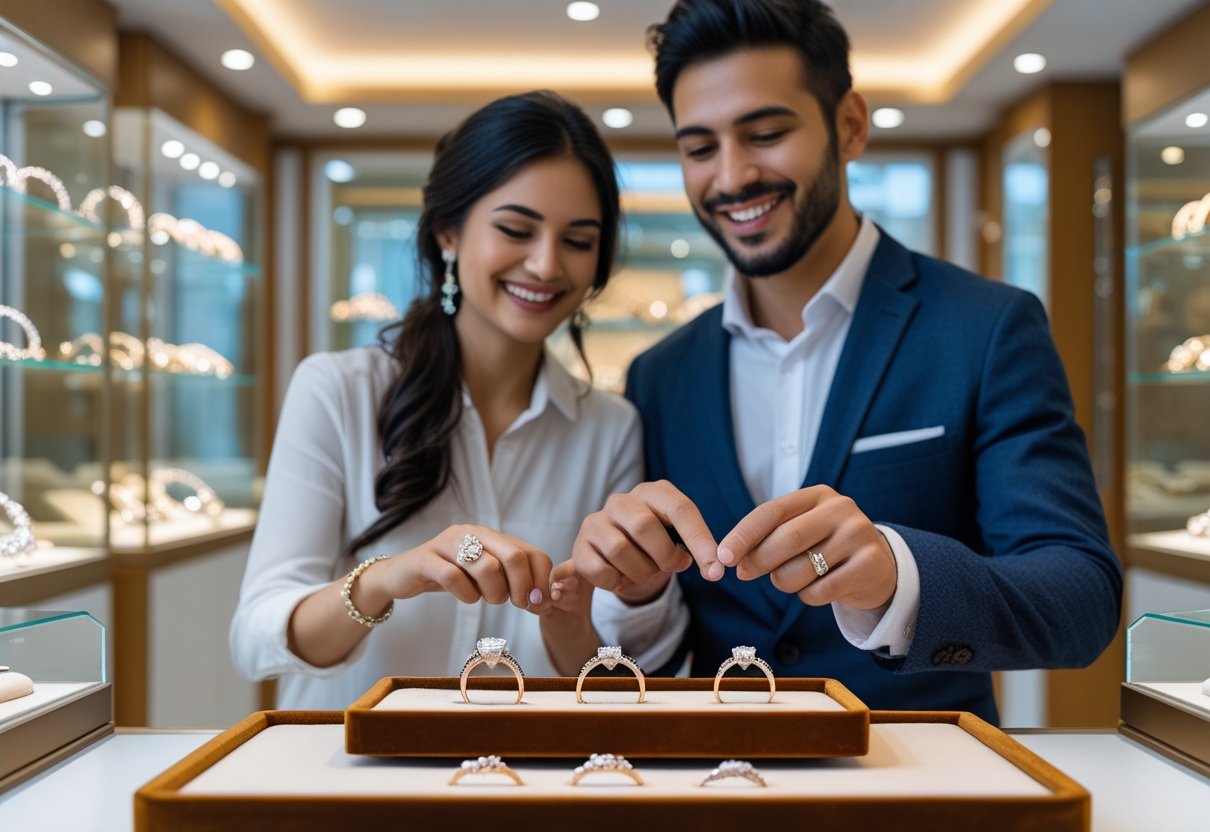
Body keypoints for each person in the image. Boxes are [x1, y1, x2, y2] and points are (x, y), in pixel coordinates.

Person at [574, 0, 1122, 723]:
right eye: (699, 148)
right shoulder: (660, 373)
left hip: (922, 785)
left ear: (850, 125)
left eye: (765, 134)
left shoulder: (986, 327)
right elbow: (667, 636)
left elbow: (1080, 598)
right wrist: (636, 586)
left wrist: (899, 574)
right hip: (719, 781)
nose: (732, 176)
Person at [230, 91, 640, 709]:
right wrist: (387, 578)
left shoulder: (611, 428)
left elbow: (603, 677)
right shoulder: (340, 390)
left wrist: (566, 620)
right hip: (353, 776)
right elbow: (257, 638)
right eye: (515, 230)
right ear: (448, 230)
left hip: (524, 778)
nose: (546, 264)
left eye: (578, 241)